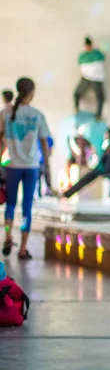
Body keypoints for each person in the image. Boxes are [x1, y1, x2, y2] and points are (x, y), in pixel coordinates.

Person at [0, 77, 52, 259]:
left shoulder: (5, 113)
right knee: (27, 207)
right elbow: (44, 143)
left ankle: (7, 236)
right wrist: (47, 166)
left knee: (10, 204)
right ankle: (22, 248)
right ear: (31, 93)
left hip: (12, 166)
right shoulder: (37, 114)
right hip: (31, 166)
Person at [74, 37, 106, 118]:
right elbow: (80, 63)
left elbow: (103, 58)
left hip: (96, 79)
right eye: (86, 46)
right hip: (86, 78)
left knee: (100, 98)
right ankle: (76, 110)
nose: (88, 48)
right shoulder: (83, 55)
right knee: (76, 94)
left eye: (89, 46)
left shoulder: (97, 53)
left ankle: (98, 115)